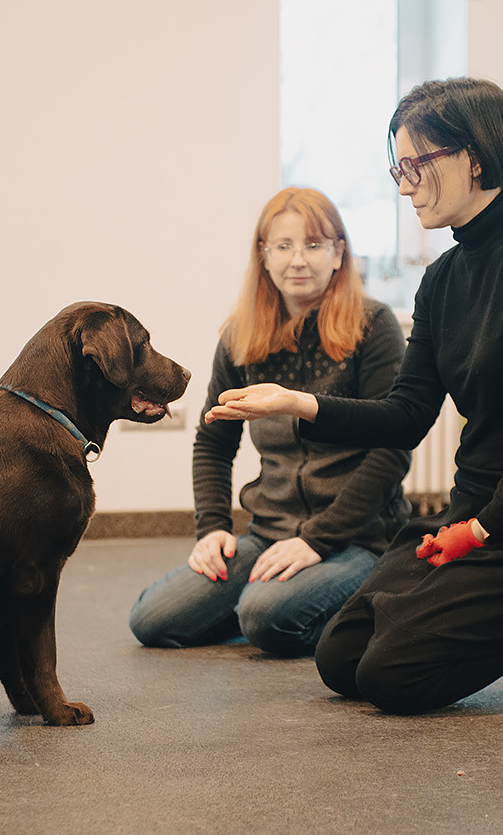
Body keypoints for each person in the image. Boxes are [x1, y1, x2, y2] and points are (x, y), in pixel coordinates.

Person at [205, 78, 503, 714]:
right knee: (341, 658)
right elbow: (406, 415)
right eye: (398, 167)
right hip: (470, 515)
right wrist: (297, 403)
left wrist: (483, 529)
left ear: (476, 157)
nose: (404, 185)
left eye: (416, 165)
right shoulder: (442, 278)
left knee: (391, 677)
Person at [129, 187, 411, 657]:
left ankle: (361, 607)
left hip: (358, 539)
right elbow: (213, 441)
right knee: (152, 619)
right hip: (268, 533)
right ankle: (269, 606)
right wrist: (214, 528)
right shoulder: (241, 336)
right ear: (263, 255)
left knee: (265, 617)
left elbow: (392, 449)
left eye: (314, 245)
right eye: (283, 246)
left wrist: (317, 542)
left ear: (339, 253)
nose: (297, 260)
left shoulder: (374, 325)